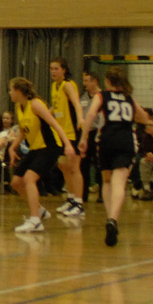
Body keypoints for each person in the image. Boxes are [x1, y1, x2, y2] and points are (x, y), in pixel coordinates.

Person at [78, 66, 152, 246]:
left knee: (107, 181)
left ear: (108, 81)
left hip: (106, 140)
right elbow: (145, 118)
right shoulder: (129, 98)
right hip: (125, 141)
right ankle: (113, 219)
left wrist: (84, 137)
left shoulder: (102, 95)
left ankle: (109, 216)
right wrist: (134, 117)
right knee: (119, 183)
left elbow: (90, 115)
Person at [7, 77, 75, 233]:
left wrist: (68, 144)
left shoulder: (35, 104)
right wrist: (13, 147)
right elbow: (23, 129)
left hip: (50, 147)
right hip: (35, 148)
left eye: (11, 89)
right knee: (16, 183)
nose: (9, 93)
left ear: (18, 91)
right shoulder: (19, 107)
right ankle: (39, 210)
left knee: (29, 179)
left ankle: (35, 221)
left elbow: (54, 123)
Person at [49, 58, 86, 217]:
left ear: (64, 70)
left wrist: (80, 118)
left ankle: (79, 203)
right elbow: (56, 107)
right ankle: (71, 199)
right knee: (63, 166)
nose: (53, 71)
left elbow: (77, 103)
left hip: (72, 132)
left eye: (56, 68)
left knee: (73, 167)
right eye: (51, 68)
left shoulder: (68, 85)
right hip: (61, 133)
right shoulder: (54, 86)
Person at [79, 72, 104, 203]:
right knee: (84, 164)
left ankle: (102, 193)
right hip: (86, 133)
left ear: (95, 81)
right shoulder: (83, 97)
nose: (85, 84)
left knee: (100, 164)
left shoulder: (102, 96)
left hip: (98, 133)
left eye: (87, 81)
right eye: (84, 81)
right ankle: (83, 194)